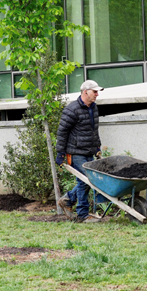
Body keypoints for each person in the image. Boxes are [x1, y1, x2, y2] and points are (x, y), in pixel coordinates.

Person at [55, 79, 104, 223]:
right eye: (95, 92)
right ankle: (82, 214)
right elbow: (62, 132)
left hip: (89, 151)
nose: (97, 95)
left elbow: (94, 130)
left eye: (97, 92)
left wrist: (97, 147)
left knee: (90, 180)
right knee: (85, 181)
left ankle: (68, 199)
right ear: (85, 92)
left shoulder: (93, 108)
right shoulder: (72, 109)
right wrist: (60, 154)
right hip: (75, 152)